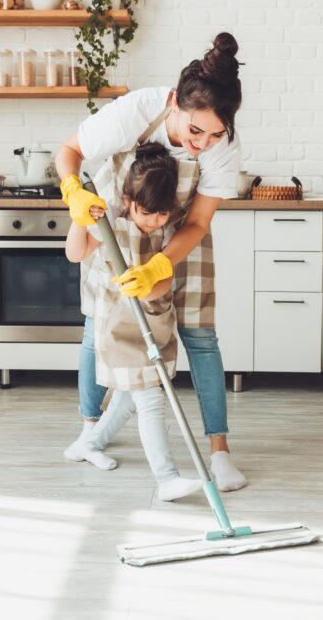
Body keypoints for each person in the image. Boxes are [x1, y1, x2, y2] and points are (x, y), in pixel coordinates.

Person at [57, 33, 248, 492]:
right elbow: (70, 151)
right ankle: (90, 431)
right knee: (98, 328)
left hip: (181, 236)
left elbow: (197, 222)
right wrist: (74, 193)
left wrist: (161, 266)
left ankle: (219, 453)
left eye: (215, 134)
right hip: (119, 228)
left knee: (201, 337)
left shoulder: (223, 147)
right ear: (175, 103)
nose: (203, 144)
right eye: (195, 131)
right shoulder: (140, 110)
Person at [64, 143, 203, 502]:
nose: (153, 220)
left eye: (161, 214)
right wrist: (80, 218)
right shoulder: (109, 223)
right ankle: (166, 478)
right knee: (150, 397)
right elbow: (75, 254)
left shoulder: (168, 230)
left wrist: (150, 282)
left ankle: (90, 444)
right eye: (145, 212)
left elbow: (165, 281)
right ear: (127, 199)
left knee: (129, 396)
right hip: (119, 326)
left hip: (155, 322)